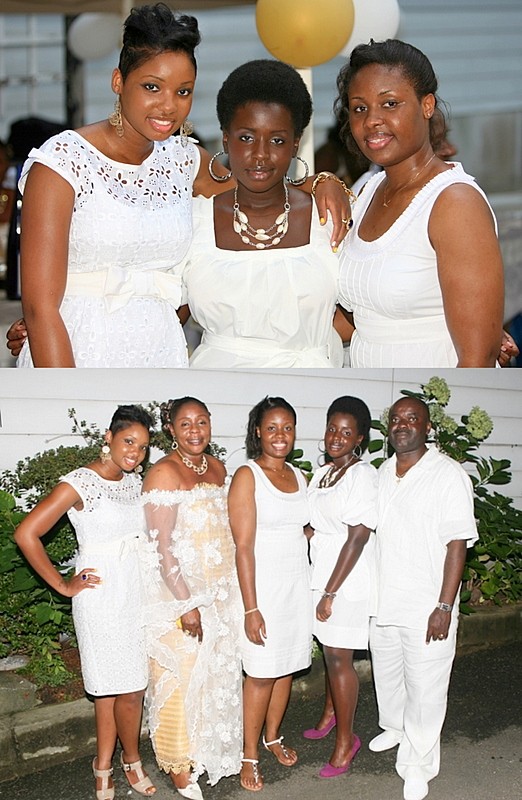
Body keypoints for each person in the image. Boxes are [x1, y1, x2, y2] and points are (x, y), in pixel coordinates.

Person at [14, 405, 156, 800]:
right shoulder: (80, 483)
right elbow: (27, 533)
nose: (135, 453)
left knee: (133, 688)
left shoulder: (133, 481)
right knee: (107, 689)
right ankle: (103, 766)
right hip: (101, 598)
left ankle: (131, 759)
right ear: (108, 437)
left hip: (136, 593)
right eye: (128, 441)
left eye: (143, 447)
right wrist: (62, 585)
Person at [334, 39, 504, 367]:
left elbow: (478, 358)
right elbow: (364, 315)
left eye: (390, 104)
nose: (371, 121)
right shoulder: (368, 191)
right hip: (371, 403)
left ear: (427, 106)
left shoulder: (454, 204)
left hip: (436, 408)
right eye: (359, 108)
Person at [178, 59, 351, 367]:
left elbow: (364, 316)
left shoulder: (328, 218)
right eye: (246, 137)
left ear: (296, 143)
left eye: (277, 140)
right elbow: (168, 321)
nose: (260, 154)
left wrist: (311, 342)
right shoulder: (194, 222)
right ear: (226, 139)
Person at [370, 396, 478, 800]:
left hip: (426, 605)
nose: (402, 425)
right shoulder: (383, 472)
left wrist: (445, 605)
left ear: (428, 427)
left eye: (412, 418)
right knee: (389, 676)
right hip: (383, 601)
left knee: (426, 687)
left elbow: (457, 543)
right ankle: (396, 729)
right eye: (395, 419)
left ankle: (418, 763)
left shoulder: (447, 475)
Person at [141, 397, 242, 799]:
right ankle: (180, 768)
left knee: (212, 678)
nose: (195, 430)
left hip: (221, 591)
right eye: (186, 424)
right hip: (179, 595)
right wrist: (186, 604)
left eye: (202, 422)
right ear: (171, 429)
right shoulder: (163, 473)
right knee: (181, 680)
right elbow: (161, 546)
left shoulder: (218, 468)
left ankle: (205, 753)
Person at [228, 397, 312, 791]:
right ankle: (249, 754)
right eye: (272, 427)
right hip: (262, 590)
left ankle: (273, 736)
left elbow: (305, 527)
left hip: (296, 586)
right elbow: (243, 546)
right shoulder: (247, 475)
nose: (281, 435)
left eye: (288, 427)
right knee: (261, 674)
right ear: (257, 431)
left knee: (287, 668)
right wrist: (251, 608)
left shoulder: (299, 475)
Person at [304, 396, 378, 778]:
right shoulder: (323, 473)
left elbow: (358, 537)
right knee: (330, 651)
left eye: (346, 432)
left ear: (360, 438)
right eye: (333, 428)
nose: (336, 437)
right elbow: (313, 526)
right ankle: (331, 713)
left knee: (338, 658)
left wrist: (331, 592)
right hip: (322, 573)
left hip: (345, 580)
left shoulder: (362, 476)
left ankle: (346, 741)